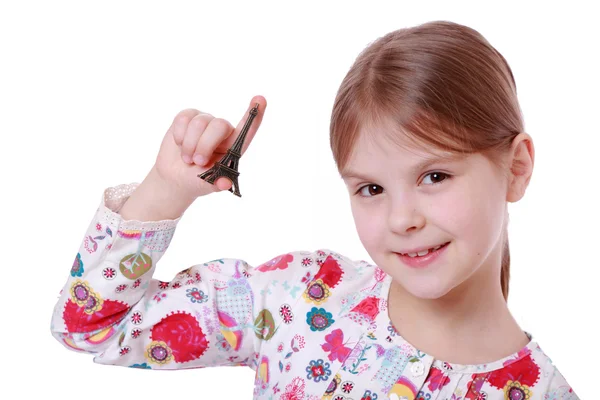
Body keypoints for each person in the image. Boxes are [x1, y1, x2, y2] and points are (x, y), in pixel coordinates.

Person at [50, 20, 579, 399]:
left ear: (516, 168)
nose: (401, 219)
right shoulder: (298, 300)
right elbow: (90, 325)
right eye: (370, 188)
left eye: (434, 176)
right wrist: (166, 190)